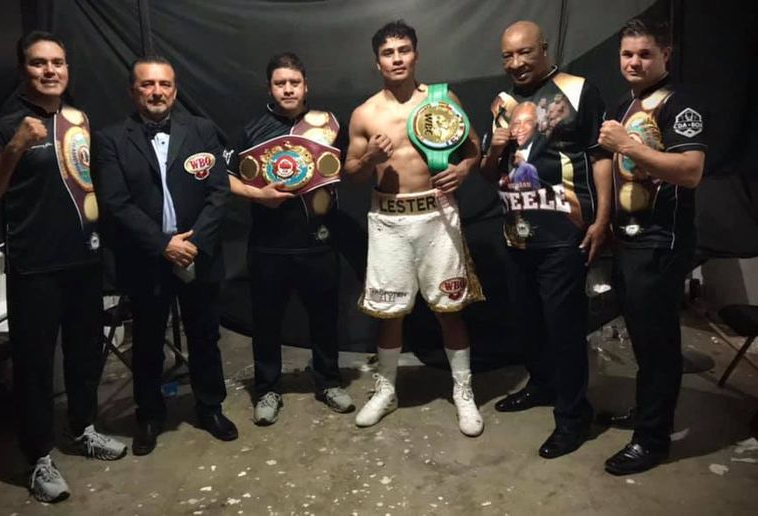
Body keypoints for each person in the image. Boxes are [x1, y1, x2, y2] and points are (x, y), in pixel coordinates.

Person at [0, 31, 126, 503]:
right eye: (39, 63)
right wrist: (15, 147)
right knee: (36, 368)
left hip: (84, 259)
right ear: (24, 70)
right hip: (34, 266)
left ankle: (83, 428)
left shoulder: (80, 119)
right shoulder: (1, 126)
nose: (50, 70)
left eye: (58, 62)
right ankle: (38, 456)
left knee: (83, 355)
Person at [344, 20, 485, 437]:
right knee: (389, 311)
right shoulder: (365, 113)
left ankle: (463, 391)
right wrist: (369, 156)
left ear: (416, 54)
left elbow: (473, 147)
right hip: (389, 219)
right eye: (388, 53)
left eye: (404, 50)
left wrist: (462, 169)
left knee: (451, 307)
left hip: (438, 215)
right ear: (377, 62)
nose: (397, 58)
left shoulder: (441, 100)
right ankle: (386, 390)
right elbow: (350, 173)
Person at [93, 56, 237, 456]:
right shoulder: (110, 139)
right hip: (146, 258)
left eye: (165, 85)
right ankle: (150, 415)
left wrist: (193, 242)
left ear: (175, 89)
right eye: (147, 85)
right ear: (133, 90)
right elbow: (115, 203)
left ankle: (211, 407)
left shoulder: (203, 130)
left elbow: (220, 192)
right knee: (148, 342)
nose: (157, 92)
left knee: (205, 336)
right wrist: (163, 244)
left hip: (198, 254)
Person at [481, 20, 612, 458]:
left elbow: (600, 157)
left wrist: (603, 218)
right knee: (528, 323)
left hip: (564, 235)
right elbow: (486, 172)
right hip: (515, 232)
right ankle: (540, 385)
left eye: (524, 53)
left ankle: (574, 418)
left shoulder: (578, 90)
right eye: (507, 56)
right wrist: (495, 148)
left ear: (544, 49)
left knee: (564, 329)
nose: (516, 63)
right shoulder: (500, 102)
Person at [597, 16, 706, 475]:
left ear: (666, 55)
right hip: (629, 239)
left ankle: (652, 440)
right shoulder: (627, 102)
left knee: (659, 344)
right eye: (627, 54)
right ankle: (647, 415)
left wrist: (629, 146)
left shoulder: (681, 104)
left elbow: (691, 171)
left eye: (644, 54)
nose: (634, 62)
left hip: (662, 241)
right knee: (643, 338)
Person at [224, 52, 354, 425]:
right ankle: (266, 390)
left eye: (294, 83)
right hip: (269, 245)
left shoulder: (328, 126)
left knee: (325, 318)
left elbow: (351, 164)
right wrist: (257, 195)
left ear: (305, 86)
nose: (288, 89)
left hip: (319, 240)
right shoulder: (252, 130)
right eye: (280, 83)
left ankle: (329, 380)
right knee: (266, 321)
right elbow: (224, 174)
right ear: (270, 87)